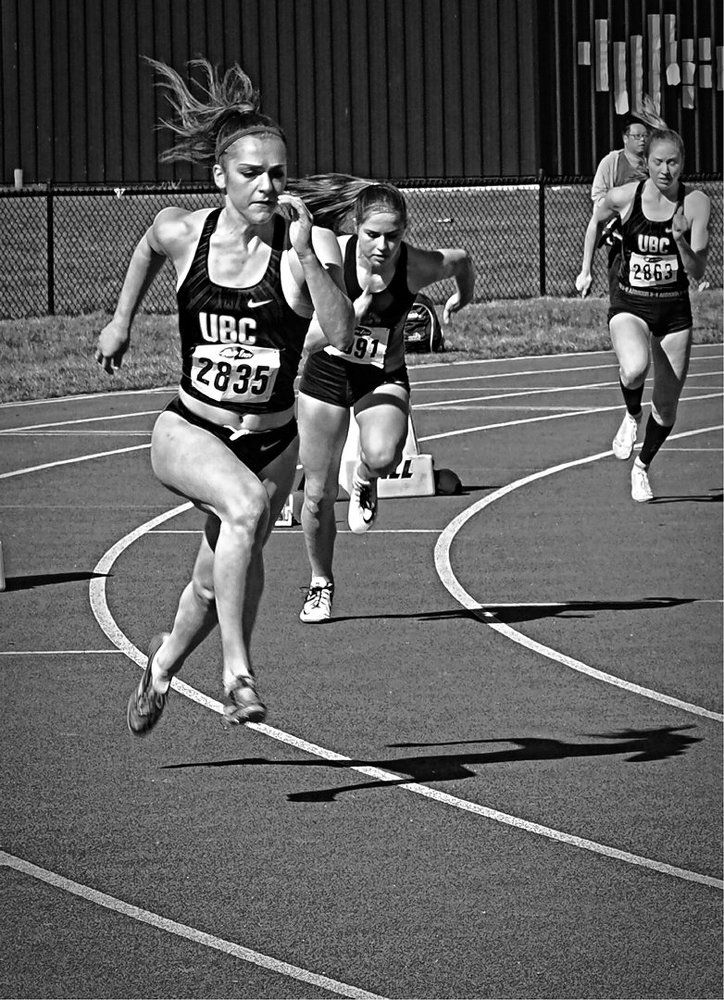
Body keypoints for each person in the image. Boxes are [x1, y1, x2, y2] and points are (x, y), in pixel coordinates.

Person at [95, 59, 353, 732]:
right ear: (220, 177)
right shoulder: (187, 232)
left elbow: (344, 330)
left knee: (214, 582)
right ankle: (238, 675)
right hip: (191, 430)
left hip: (270, 440)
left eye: (277, 172)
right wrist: (122, 321)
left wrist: (301, 254)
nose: (268, 185)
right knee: (241, 510)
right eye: (252, 174)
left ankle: (159, 667)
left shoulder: (307, 242)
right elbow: (149, 245)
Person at [287, 175, 476, 623]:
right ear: (356, 227)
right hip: (328, 374)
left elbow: (462, 260)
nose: (382, 246)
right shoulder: (335, 256)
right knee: (317, 493)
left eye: (393, 236)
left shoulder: (412, 266)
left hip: (381, 374)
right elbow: (313, 341)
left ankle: (368, 479)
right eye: (373, 235)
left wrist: (460, 299)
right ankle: (320, 582)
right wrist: (361, 301)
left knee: (385, 454)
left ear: (404, 233)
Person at [575, 128, 710, 503]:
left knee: (666, 407)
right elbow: (594, 220)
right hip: (631, 303)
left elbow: (697, 271)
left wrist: (681, 239)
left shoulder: (696, 203)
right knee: (634, 368)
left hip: (673, 311)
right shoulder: (625, 196)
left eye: (673, 162)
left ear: (683, 163)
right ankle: (632, 414)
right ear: (645, 163)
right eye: (658, 162)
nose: (665, 170)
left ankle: (642, 467)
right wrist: (585, 268)